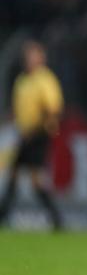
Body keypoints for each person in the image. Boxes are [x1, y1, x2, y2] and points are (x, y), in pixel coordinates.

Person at [0, 41, 64, 230]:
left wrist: (39, 127)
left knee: (34, 178)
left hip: (39, 134)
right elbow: (17, 109)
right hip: (23, 133)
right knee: (14, 174)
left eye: (34, 56)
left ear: (41, 58)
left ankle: (56, 219)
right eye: (28, 56)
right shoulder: (22, 80)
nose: (29, 59)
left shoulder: (45, 79)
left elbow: (53, 108)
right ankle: (4, 215)